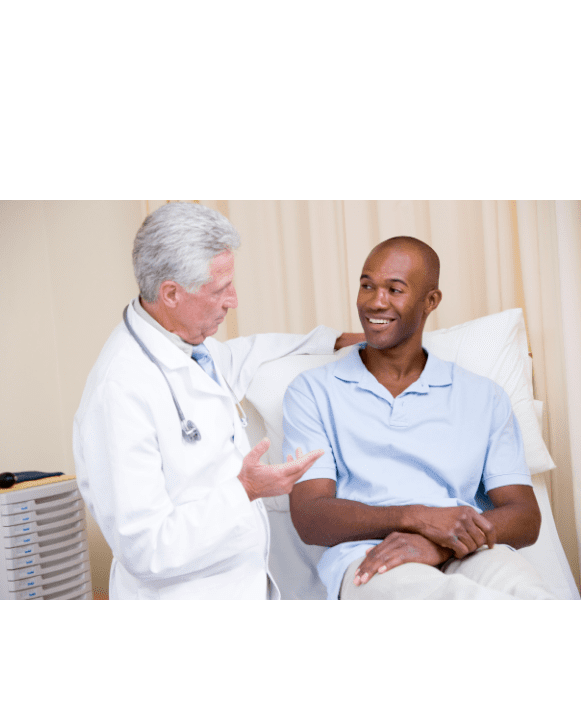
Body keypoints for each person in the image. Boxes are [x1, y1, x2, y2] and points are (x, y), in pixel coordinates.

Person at [73, 202, 362, 600]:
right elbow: (145, 548)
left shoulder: (191, 347)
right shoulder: (120, 390)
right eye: (220, 289)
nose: (234, 300)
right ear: (171, 293)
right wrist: (243, 489)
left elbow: (250, 351)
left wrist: (336, 341)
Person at [283, 236, 557, 600]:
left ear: (431, 301)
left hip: (467, 550)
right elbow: (310, 517)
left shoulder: (483, 396)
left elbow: (525, 517)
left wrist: (440, 544)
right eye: (367, 286)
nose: (375, 302)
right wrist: (416, 517)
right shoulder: (313, 391)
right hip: (371, 557)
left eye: (395, 290)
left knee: (531, 593)